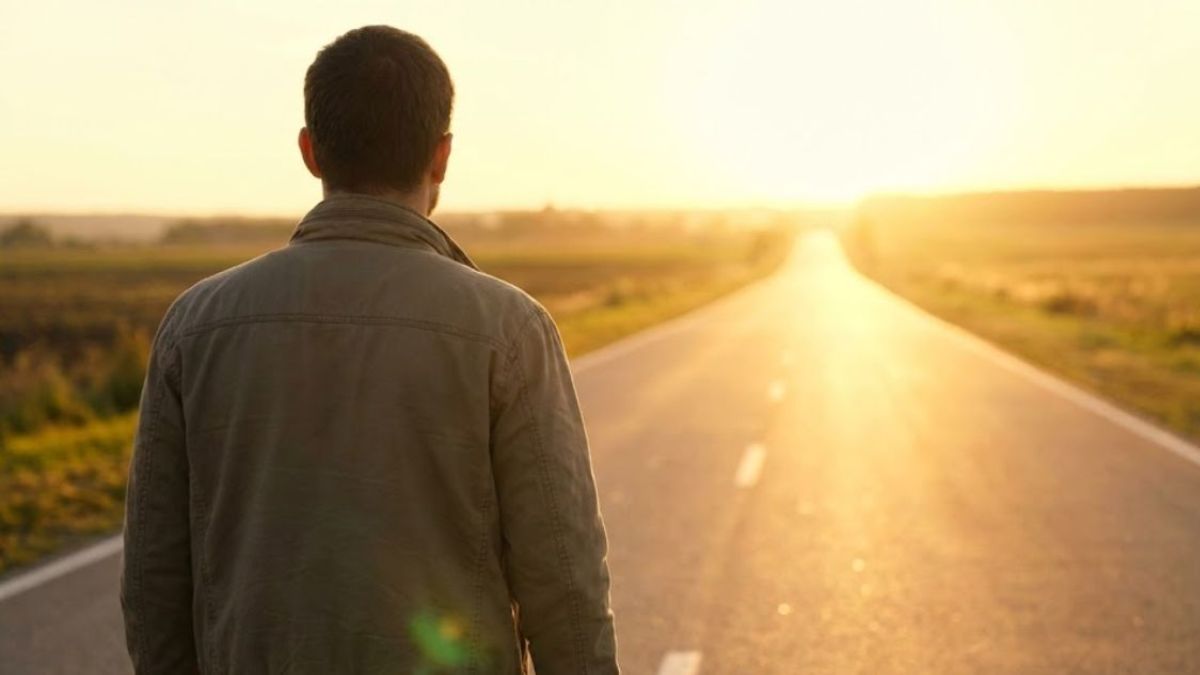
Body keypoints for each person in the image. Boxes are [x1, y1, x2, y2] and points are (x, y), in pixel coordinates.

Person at [121, 25, 619, 674]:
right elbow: (564, 581)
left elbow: (154, 583)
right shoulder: (510, 330)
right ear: (441, 156)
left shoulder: (195, 325)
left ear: (310, 152)